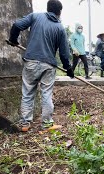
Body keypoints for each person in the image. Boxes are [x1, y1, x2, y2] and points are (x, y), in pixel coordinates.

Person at [7, 0, 74, 132]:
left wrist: (13, 39)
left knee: (27, 93)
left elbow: (16, 25)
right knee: (46, 94)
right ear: (59, 12)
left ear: (47, 8)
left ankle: (25, 124)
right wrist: (68, 69)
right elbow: (64, 53)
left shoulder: (35, 16)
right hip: (48, 65)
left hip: (31, 62)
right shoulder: (60, 28)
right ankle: (47, 124)